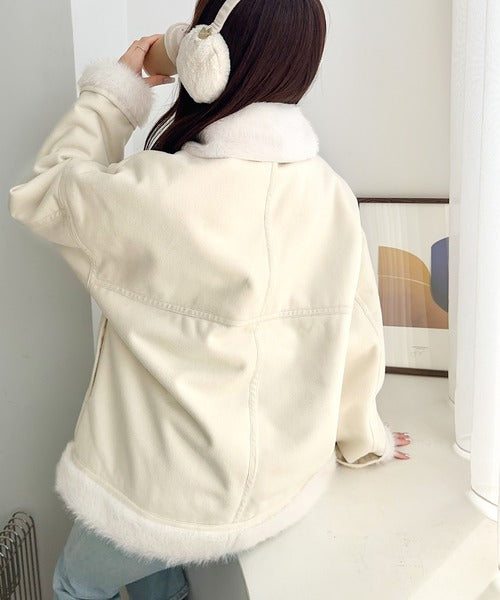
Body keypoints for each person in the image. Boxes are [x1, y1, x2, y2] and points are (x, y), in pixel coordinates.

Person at [8, 0, 411, 598]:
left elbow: (45, 189)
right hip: (276, 490)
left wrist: (115, 93)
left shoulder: (154, 191)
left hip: (156, 494)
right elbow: (354, 338)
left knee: (73, 585)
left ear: (205, 59)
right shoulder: (331, 195)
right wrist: (365, 439)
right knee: (159, 581)